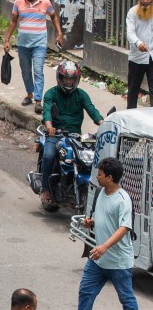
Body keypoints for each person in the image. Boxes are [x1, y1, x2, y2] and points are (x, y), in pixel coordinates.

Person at [55, 157, 143, 310]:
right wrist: (91, 222)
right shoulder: (102, 192)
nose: (97, 177)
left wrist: (104, 247)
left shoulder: (123, 199)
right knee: (86, 291)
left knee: (126, 297)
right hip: (98, 259)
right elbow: (102, 217)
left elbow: (124, 228)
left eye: (100, 174)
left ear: (110, 177)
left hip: (118, 260)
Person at [38, 61, 104, 205]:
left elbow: (92, 110)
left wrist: (103, 124)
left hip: (75, 137)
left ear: (76, 80)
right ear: (59, 78)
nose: (68, 82)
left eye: (71, 79)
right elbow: (47, 111)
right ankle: (45, 188)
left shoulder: (81, 95)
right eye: (66, 79)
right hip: (55, 134)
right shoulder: (51, 93)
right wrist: (49, 126)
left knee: (88, 160)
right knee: (49, 155)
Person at [2, 0, 64, 115]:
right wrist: (6, 40)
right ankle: (29, 94)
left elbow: (54, 17)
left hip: (39, 44)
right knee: (25, 71)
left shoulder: (45, 2)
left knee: (38, 71)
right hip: (23, 44)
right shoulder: (18, 2)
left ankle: (37, 100)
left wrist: (59, 33)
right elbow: (13, 22)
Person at [126, 0, 153, 109]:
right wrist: (138, 43)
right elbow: (130, 32)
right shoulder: (132, 12)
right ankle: (130, 115)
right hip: (137, 56)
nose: (146, 1)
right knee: (133, 90)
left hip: (152, 55)